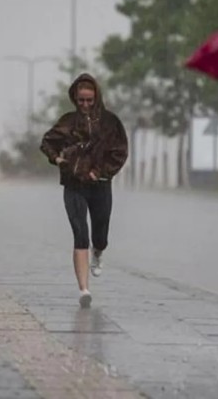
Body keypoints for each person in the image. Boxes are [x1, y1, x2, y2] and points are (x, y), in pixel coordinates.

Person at [40, 73, 128, 309]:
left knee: (100, 234)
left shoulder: (110, 123)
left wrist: (99, 171)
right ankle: (83, 289)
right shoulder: (68, 121)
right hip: (73, 185)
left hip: (100, 185)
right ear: (75, 99)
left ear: (97, 97)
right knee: (80, 232)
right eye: (81, 100)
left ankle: (98, 252)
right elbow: (47, 142)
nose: (85, 104)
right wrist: (57, 159)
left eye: (90, 100)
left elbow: (120, 152)